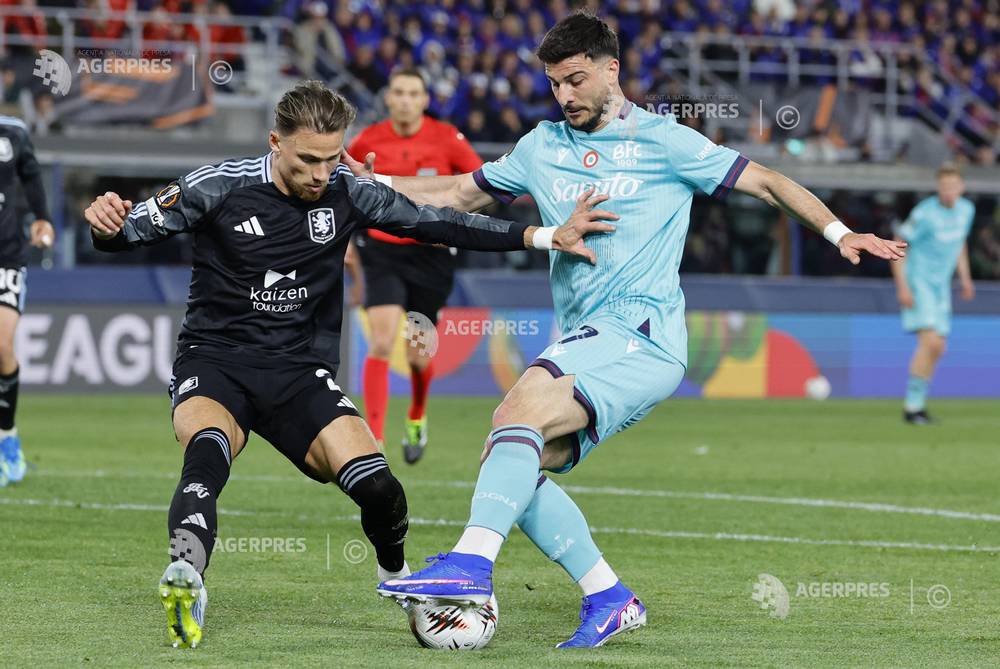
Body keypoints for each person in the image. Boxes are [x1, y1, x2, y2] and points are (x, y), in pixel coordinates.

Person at [363, 13, 905, 648]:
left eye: (575, 79)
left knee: (519, 407)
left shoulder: (666, 140)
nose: (564, 95)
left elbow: (766, 182)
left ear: (610, 69)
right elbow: (457, 194)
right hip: (591, 337)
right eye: (554, 84)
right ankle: (609, 597)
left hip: (641, 329)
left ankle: (471, 565)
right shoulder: (541, 147)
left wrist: (840, 232)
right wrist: (372, 183)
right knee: (512, 455)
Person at [83, 80, 610, 649]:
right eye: (307, 160)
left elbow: (438, 222)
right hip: (215, 361)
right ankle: (188, 577)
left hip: (297, 371)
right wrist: (105, 221)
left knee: (381, 490)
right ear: (275, 143)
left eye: (331, 158)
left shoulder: (347, 190)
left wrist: (542, 235)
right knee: (206, 453)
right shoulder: (217, 186)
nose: (320, 174)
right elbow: (124, 233)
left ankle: (397, 579)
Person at [349, 67, 483, 463]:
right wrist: (346, 243)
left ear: (425, 100)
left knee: (417, 357)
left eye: (413, 93)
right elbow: (341, 188)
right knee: (381, 340)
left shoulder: (447, 138)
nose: (406, 100)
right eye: (399, 93)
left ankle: (417, 414)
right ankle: (374, 441)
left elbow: (482, 186)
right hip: (381, 250)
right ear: (388, 98)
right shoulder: (367, 141)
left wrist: (454, 225)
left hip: (430, 254)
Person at [891, 163, 975, 424]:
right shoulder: (924, 213)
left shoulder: (966, 210)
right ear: (938, 188)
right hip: (919, 283)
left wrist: (965, 278)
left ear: (961, 187)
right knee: (930, 343)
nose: (948, 191)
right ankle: (911, 408)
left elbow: (959, 243)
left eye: (953, 186)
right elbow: (898, 246)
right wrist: (903, 286)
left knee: (939, 348)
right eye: (944, 186)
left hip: (941, 287)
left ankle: (918, 405)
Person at [0, 114, 55, 488]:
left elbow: (32, 176)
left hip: (5, 255)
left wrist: (42, 218)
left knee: (2, 346)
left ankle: (8, 439)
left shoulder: (14, 132)